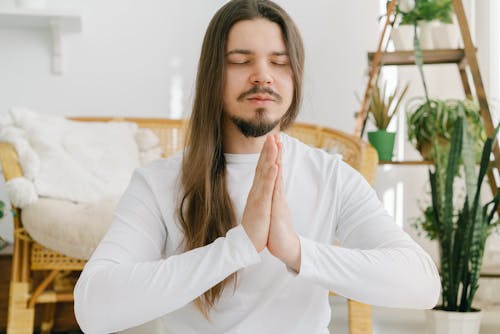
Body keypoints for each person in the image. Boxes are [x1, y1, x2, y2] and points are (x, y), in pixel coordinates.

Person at [74, 0, 440, 333]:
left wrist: (296, 251)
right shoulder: (159, 183)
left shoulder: (332, 175)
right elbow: (93, 308)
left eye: (279, 62)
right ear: (213, 76)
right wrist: (237, 247)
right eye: (240, 60)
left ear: (294, 76)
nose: (263, 75)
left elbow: (422, 284)